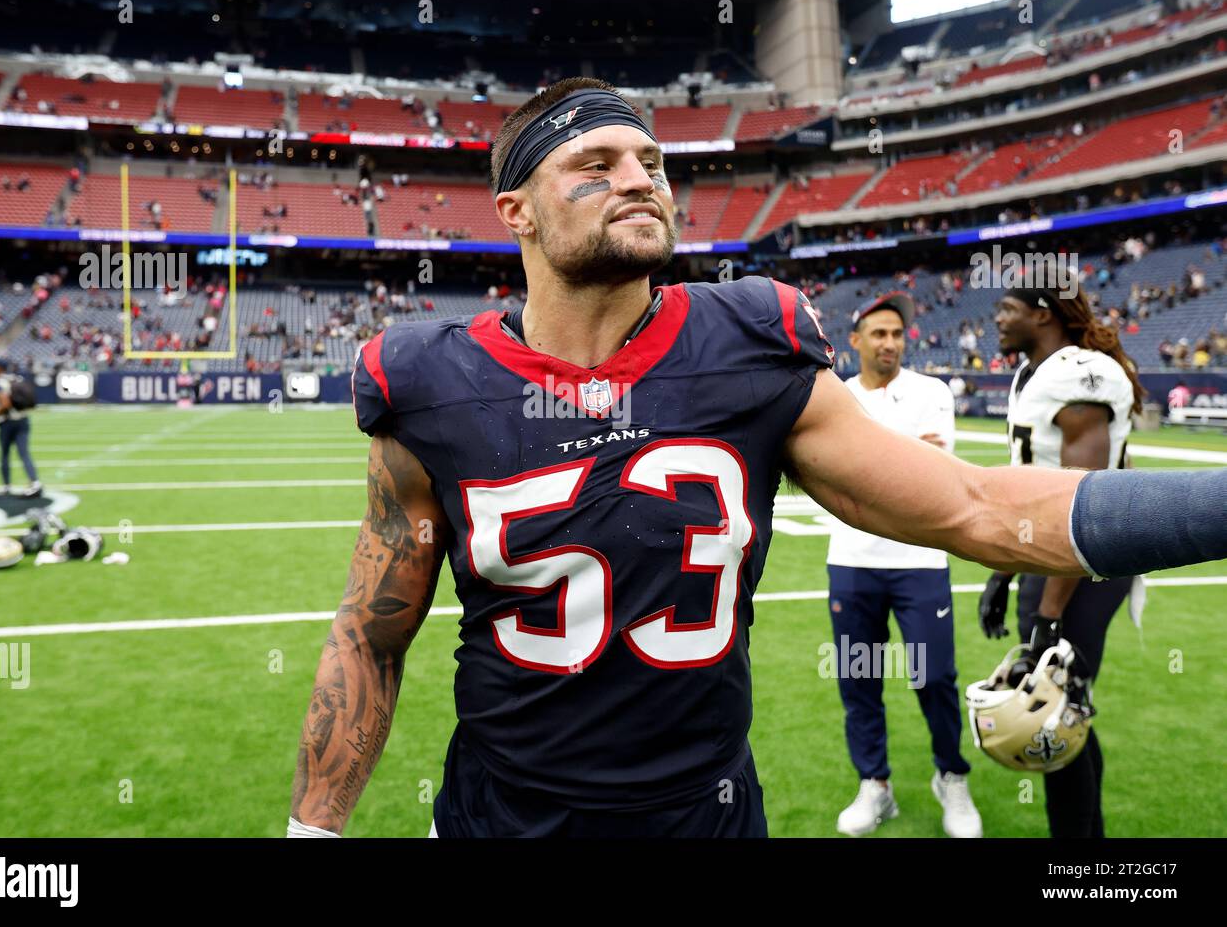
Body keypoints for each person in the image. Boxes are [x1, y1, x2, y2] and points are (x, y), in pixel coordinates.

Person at [287, 77, 1227, 839]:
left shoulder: (747, 340)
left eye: (651, 161)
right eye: (596, 163)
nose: (640, 178)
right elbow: (373, 632)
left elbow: (975, 507)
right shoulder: (428, 381)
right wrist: (313, 832)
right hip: (502, 815)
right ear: (517, 212)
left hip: (708, 812)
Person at [980, 277, 1144, 838]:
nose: (996, 319)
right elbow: (1034, 490)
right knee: (1064, 707)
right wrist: (1003, 571)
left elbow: (1083, 509)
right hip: (1053, 559)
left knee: (1051, 713)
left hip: (1085, 566)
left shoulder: (1079, 373)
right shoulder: (1036, 374)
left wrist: (1048, 618)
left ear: (1043, 314)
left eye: (1007, 309)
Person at [825, 292, 981, 838]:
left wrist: (861, 463)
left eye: (897, 334)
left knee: (933, 676)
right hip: (851, 560)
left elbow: (933, 474)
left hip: (920, 558)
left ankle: (950, 776)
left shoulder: (932, 391)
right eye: (879, 333)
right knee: (859, 679)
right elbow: (851, 473)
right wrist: (902, 454)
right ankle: (876, 784)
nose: (890, 343)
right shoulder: (833, 396)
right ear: (856, 340)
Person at [0, 358, 42, 497]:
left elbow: (5, 404)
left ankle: (6, 486)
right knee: (24, 453)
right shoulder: (16, 378)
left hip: (7, 422)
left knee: (4, 454)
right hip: (23, 419)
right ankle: (35, 482)